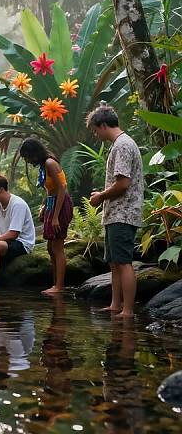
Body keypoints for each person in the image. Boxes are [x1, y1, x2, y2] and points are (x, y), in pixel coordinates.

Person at [87, 104, 143, 318]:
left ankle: (127, 310)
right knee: (114, 261)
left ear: (103, 125)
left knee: (123, 262)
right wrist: (102, 195)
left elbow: (123, 183)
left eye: (95, 129)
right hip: (116, 213)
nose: (95, 134)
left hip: (124, 213)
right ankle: (115, 304)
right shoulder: (122, 144)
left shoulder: (122, 145)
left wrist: (101, 196)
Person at [20, 138, 73, 294]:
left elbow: (62, 188)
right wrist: (44, 206)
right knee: (50, 247)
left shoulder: (50, 163)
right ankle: (55, 282)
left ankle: (59, 286)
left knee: (57, 247)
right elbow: (50, 189)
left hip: (61, 205)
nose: (27, 161)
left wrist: (56, 216)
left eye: (27, 157)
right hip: (52, 203)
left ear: (34, 153)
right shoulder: (44, 166)